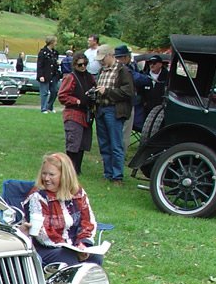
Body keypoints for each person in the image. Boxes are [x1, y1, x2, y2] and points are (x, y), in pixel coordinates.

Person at [24, 152, 104, 267]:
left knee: (95, 257)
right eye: (44, 174)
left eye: (51, 175)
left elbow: (88, 222)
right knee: (68, 257)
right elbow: (43, 234)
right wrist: (72, 248)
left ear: (64, 176)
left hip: (75, 245)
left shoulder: (78, 193)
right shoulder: (38, 196)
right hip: (45, 248)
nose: (46, 178)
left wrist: (83, 244)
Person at [93, 45, 135, 184]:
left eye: (103, 58)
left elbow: (128, 92)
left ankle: (117, 176)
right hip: (101, 109)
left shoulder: (122, 70)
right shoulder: (101, 71)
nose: (101, 62)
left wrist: (108, 91)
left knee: (116, 144)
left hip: (114, 110)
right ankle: (108, 173)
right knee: (104, 143)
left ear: (110, 55)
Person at [57, 53, 97, 175]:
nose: (83, 66)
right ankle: (69, 170)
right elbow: (62, 95)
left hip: (86, 113)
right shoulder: (71, 77)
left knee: (82, 144)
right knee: (73, 143)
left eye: (85, 64)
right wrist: (76, 101)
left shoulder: (90, 77)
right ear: (75, 65)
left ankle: (77, 170)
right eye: (80, 64)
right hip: (73, 113)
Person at [115, 45, 150, 152]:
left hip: (129, 102)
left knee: (124, 131)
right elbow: (139, 79)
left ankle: (119, 154)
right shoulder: (125, 69)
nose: (118, 60)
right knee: (122, 131)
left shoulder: (131, 66)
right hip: (123, 101)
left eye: (119, 58)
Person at [37, 35, 60, 113]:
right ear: (51, 42)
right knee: (44, 92)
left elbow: (55, 64)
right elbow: (39, 65)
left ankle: (49, 106)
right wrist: (40, 75)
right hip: (45, 75)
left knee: (54, 91)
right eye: (55, 41)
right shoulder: (43, 52)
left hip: (53, 75)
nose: (56, 43)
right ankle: (43, 108)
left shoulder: (55, 53)